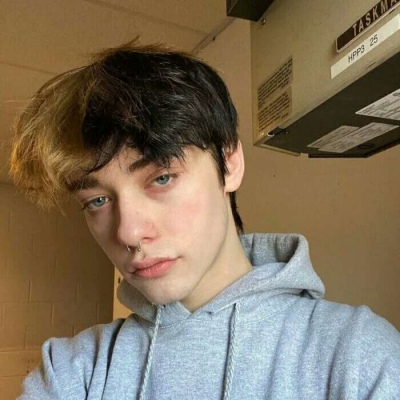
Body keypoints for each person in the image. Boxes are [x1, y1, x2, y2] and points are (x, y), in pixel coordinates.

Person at [10, 41, 400, 400]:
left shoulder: (358, 358)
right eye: (97, 201)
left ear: (229, 164)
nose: (128, 232)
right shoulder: (74, 370)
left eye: (162, 178)